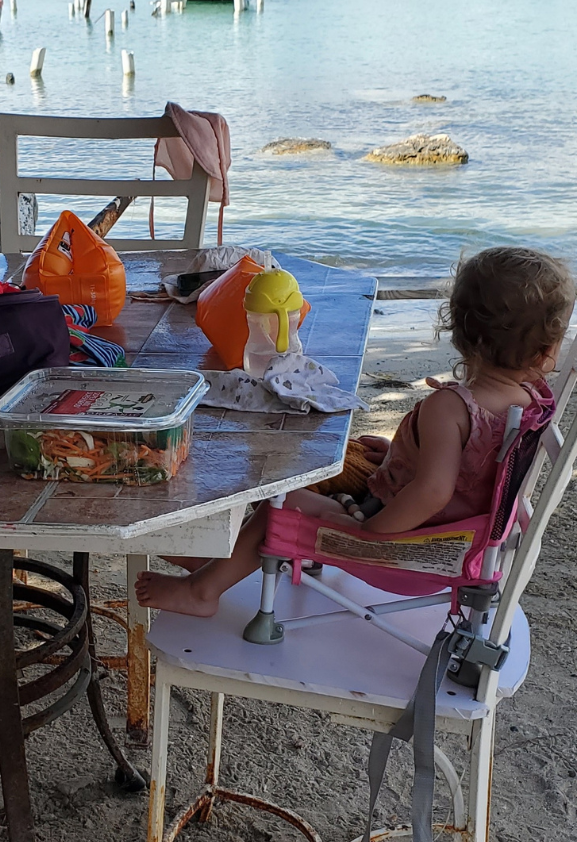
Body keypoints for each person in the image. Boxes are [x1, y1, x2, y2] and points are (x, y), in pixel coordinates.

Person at [136, 246, 574, 618]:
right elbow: (469, 473)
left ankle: (204, 590)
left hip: (409, 549)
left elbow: (433, 492)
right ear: (548, 349)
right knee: (329, 468)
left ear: (457, 330)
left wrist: (371, 531)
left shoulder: (451, 407)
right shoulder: (530, 403)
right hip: (461, 544)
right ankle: (225, 564)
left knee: (280, 498)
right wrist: (401, 456)